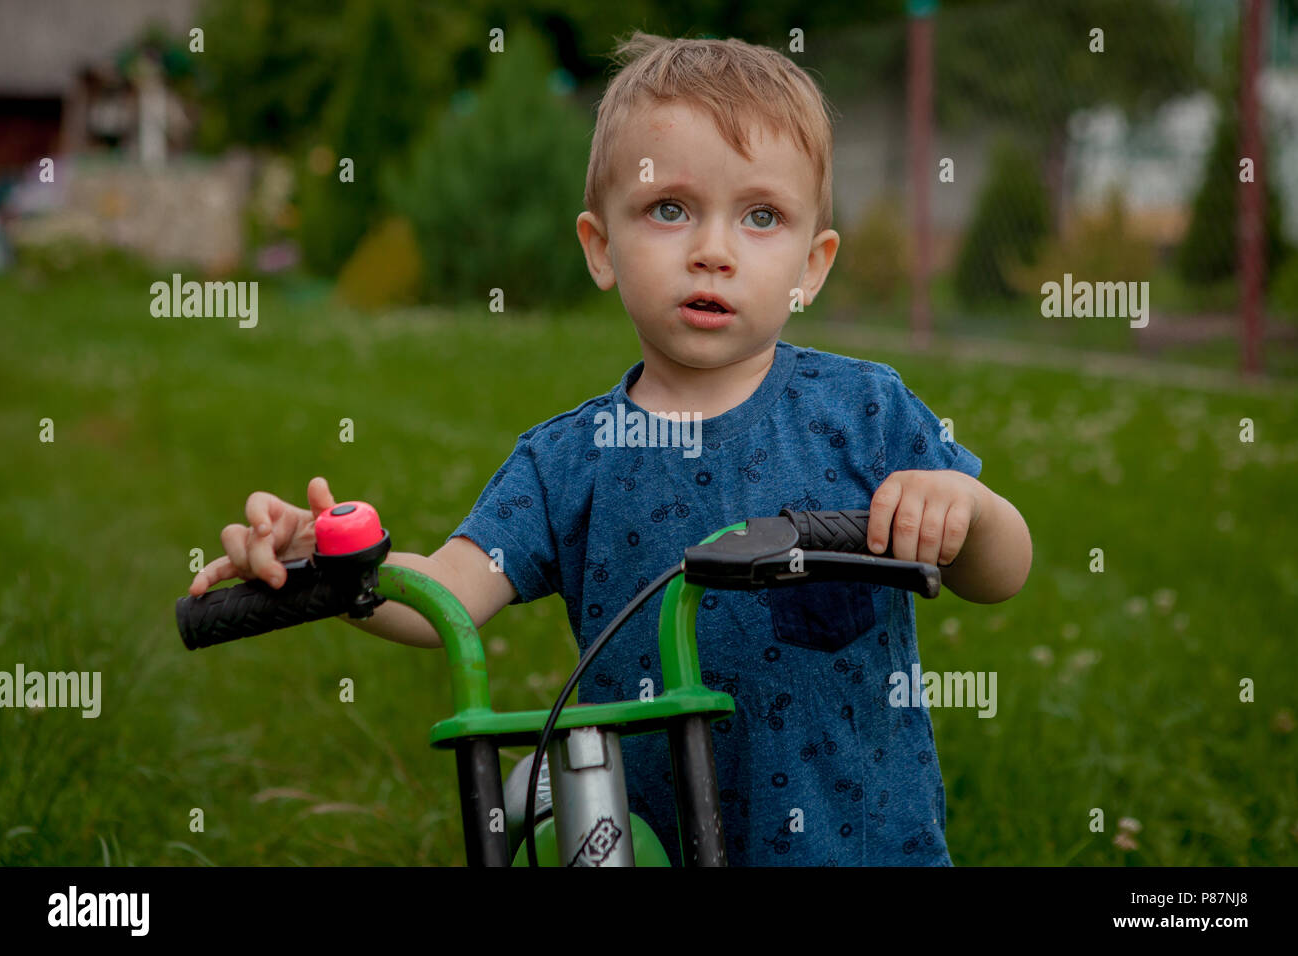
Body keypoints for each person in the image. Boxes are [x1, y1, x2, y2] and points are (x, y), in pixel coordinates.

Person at [189, 32, 1032, 866]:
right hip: (650, 846)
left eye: (762, 217)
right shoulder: (569, 459)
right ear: (600, 247)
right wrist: (330, 562)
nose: (713, 249)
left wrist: (968, 512)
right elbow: (443, 599)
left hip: (865, 849)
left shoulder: (866, 412)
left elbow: (1003, 572)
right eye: (669, 208)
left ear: (813, 266)